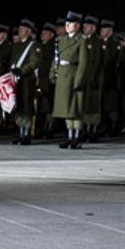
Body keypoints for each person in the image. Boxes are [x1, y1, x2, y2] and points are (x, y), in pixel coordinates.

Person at [52, 12, 88, 149]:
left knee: (75, 109)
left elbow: (83, 63)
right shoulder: (62, 39)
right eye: (66, 23)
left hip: (73, 76)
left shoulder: (81, 40)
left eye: (71, 23)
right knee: (66, 109)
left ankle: (77, 138)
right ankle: (69, 136)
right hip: (63, 76)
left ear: (77, 25)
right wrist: (53, 73)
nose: (67, 25)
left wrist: (78, 80)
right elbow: (56, 59)